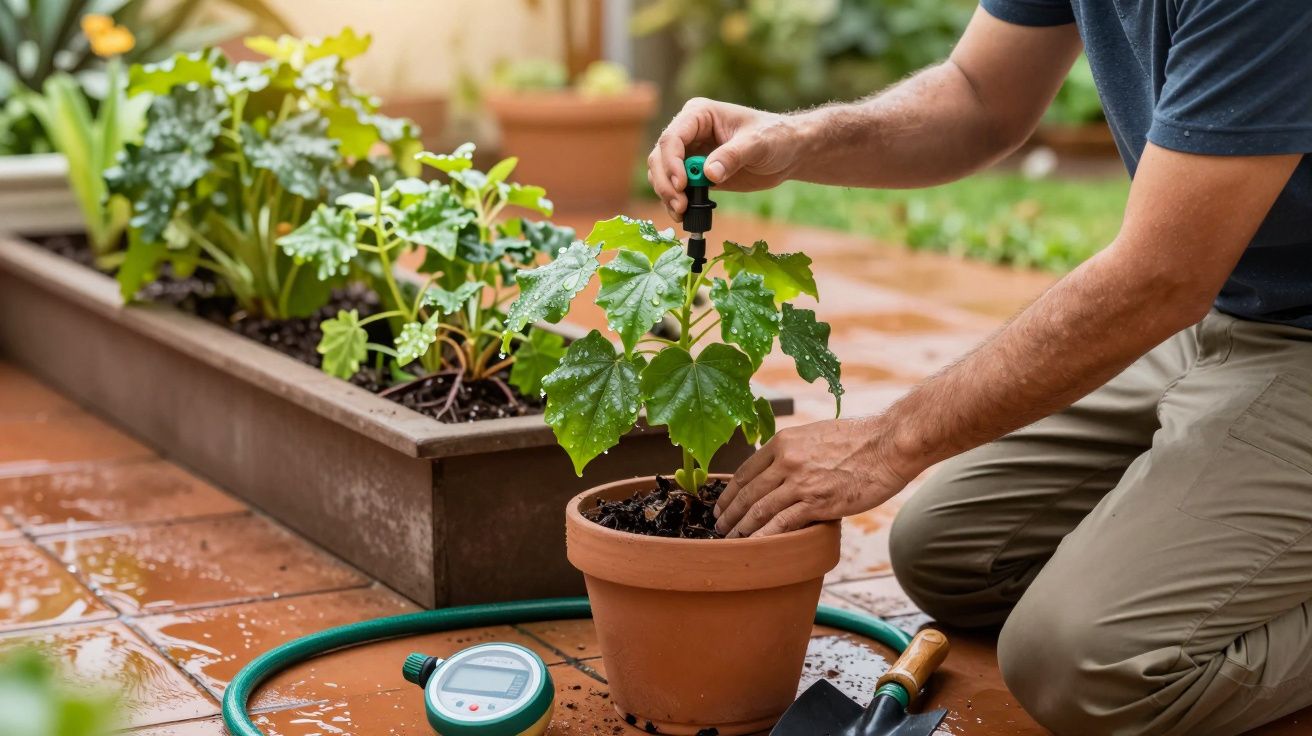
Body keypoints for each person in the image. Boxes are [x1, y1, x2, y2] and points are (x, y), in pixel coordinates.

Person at [647, 2, 1312, 734]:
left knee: (1080, 663)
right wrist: (797, 139)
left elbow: (1159, 276)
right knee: (950, 553)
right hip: (1224, 305)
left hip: (1252, 315)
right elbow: (978, 95)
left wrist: (888, 441)